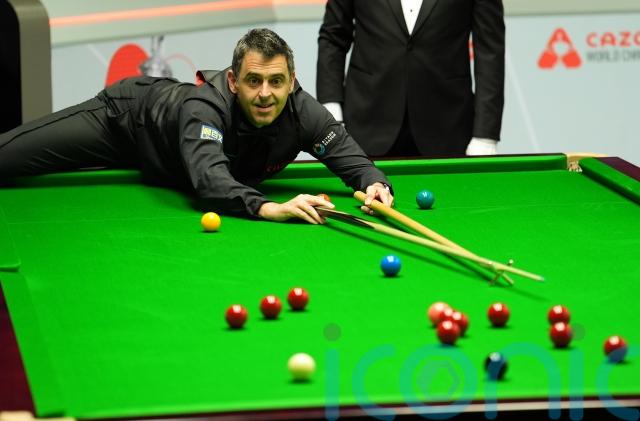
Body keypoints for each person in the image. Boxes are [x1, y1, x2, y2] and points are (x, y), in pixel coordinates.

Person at [0, 28, 393, 224]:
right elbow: (210, 180)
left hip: (167, 156)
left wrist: (374, 183)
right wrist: (270, 207)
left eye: (276, 82)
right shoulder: (205, 107)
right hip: (123, 124)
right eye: (253, 81)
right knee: (7, 155)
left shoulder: (304, 113)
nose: (265, 94)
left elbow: (353, 161)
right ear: (233, 81)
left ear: (291, 82)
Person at [316, 0, 505, 157]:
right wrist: (331, 112)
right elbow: (333, 37)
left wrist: (485, 136)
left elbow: (490, 52)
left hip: (448, 129)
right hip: (364, 126)